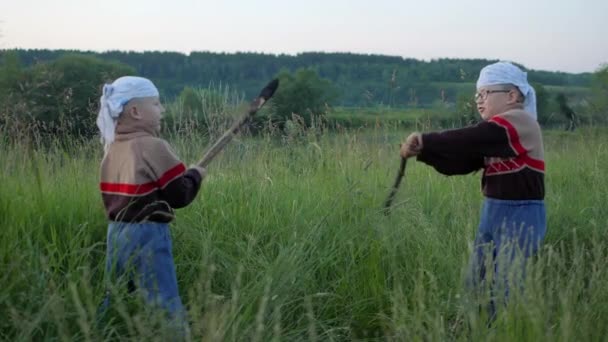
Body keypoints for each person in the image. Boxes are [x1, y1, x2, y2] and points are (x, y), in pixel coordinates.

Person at [400, 62, 546, 319]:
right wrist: (425, 153)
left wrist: (427, 139)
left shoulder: (520, 121)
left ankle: (507, 330)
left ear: (512, 95)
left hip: (521, 215)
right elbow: (460, 163)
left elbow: (473, 137)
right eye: (476, 95)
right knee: (476, 281)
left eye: (485, 94)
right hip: (492, 213)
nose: (478, 101)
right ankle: (477, 328)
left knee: (508, 286)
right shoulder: (496, 134)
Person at [96, 76, 206, 335]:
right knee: (162, 298)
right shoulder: (153, 146)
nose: (162, 110)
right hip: (148, 234)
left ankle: (104, 333)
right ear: (135, 111)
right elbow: (179, 195)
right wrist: (195, 176)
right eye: (156, 104)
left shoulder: (111, 149)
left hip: (116, 233)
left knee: (116, 295)